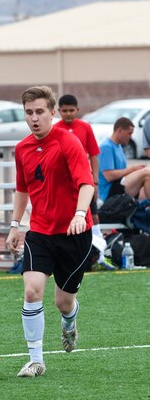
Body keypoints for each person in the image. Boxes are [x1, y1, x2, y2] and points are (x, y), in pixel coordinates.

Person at [6, 85, 94, 378]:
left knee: (62, 302)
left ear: (52, 113)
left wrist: (79, 214)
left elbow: (86, 184)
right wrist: (15, 226)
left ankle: (69, 321)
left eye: (40, 112)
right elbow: (22, 189)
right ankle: (36, 360)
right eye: (28, 113)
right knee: (32, 291)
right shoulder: (22, 149)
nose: (34, 118)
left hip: (74, 234)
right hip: (40, 233)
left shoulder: (68, 143)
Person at [55, 94, 115, 270]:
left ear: (78, 110)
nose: (68, 114)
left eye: (71, 110)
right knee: (67, 217)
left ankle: (100, 256)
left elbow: (94, 155)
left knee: (93, 217)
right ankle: (69, 257)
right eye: (64, 111)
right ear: (59, 111)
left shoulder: (85, 127)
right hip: (65, 184)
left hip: (84, 181)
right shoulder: (55, 130)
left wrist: (94, 180)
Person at [98, 117, 150, 202]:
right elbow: (109, 176)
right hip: (109, 192)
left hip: (120, 184)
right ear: (119, 131)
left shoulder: (118, 146)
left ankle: (146, 208)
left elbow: (122, 171)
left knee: (146, 179)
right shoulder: (106, 147)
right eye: (129, 133)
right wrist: (132, 169)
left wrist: (136, 169)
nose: (130, 137)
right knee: (147, 173)